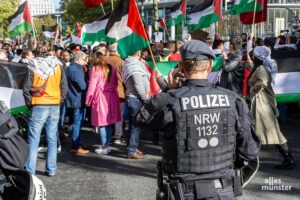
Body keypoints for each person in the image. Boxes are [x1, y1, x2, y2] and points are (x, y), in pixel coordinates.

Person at [136, 40, 260, 199]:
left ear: (181, 67)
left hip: (183, 191)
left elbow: (140, 121)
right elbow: (249, 151)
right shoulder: (233, 101)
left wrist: (169, 90)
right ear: (209, 67)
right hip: (222, 190)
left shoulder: (168, 100)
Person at [248, 46, 296, 170]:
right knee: (267, 133)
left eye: (254, 55)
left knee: (273, 134)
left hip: (263, 105)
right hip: (262, 104)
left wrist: (252, 91)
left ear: (258, 57)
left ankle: (289, 160)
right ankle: (288, 159)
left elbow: (261, 82)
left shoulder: (261, 69)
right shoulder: (260, 67)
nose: (252, 57)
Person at [23, 45, 68, 176]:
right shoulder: (58, 65)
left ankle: (30, 170)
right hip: (54, 103)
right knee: (52, 138)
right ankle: (51, 169)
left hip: (39, 103)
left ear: (36, 52)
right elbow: (64, 86)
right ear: (51, 52)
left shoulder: (33, 64)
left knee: (33, 138)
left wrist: (30, 104)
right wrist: (60, 100)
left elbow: (26, 88)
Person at [86, 52, 121, 154]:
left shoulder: (96, 68)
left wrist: (88, 99)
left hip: (101, 97)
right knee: (109, 123)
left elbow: (92, 85)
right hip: (112, 97)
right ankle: (107, 145)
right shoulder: (112, 67)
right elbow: (115, 83)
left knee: (101, 123)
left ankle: (104, 147)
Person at [122, 50, 150, 159]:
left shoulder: (131, 64)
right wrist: (145, 99)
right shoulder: (134, 67)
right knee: (136, 126)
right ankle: (132, 150)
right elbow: (138, 86)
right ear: (138, 54)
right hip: (136, 99)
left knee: (133, 125)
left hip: (133, 98)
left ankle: (132, 147)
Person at [65, 51, 89, 155]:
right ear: (79, 59)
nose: (85, 61)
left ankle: (78, 142)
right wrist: (88, 83)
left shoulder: (70, 67)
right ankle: (76, 146)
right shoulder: (76, 70)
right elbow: (82, 86)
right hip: (77, 100)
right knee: (77, 123)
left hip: (74, 99)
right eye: (84, 59)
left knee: (77, 123)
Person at [106, 43, 125, 144]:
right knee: (119, 115)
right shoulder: (121, 62)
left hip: (106, 92)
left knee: (108, 114)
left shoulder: (104, 60)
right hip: (119, 92)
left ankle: (107, 135)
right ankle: (118, 136)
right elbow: (124, 78)